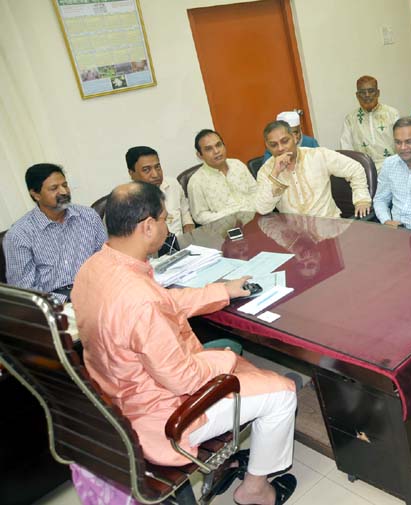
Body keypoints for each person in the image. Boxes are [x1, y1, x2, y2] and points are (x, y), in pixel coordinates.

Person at [71, 182, 298, 505]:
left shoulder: (93, 268)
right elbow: (184, 378)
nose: (168, 224)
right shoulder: (139, 298)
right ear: (147, 226)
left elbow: (163, 303)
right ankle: (255, 491)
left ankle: (225, 464)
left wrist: (222, 291)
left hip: (116, 403)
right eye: (165, 218)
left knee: (238, 365)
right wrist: (224, 358)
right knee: (282, 392)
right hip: (163, 417)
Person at [4, 163, 106, 300]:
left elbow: (106, 258)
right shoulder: (19, 234)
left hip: (97, 290)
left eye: (65, 185)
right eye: (54, 188)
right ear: (35, 194)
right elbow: (25, 289)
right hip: (56, 303)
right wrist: (64, 302)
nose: (64, 192)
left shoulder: (88, 216)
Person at [256, 120, 371, 218]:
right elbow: (263, 209)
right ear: (267, 146)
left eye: (285, 141)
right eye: (273, 145)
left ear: (295, 138)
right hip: (294, 236)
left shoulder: (318, 155)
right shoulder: (266, 171)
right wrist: (275, 173)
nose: (280, 148)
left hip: (329, 228)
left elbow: (355, 168)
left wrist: (362, 200)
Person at [187, 129, 257, 225]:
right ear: (200, 155)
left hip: (255, 219)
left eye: (218, 145)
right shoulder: (196, 182)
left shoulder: (238, 165)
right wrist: (231, 217)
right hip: (225, 230)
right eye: (208, 149)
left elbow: (255, 191)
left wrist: (251, 210)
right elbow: (200, 216)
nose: (216, 151)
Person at [126, 146, 194, 235]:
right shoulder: (124, 203)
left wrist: (189, 236)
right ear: (132, 173)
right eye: (146, 170)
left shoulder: (172, 184)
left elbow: (185, 214)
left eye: (157, 167)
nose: (155, 174)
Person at [340, 75, 400, 172]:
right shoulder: (350, 119)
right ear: (357, 95)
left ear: (378, 93)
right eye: (362, 92)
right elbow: (346, 151)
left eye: (371, 91)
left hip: (392, 168)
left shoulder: (392, 114)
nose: (367, 95)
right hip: (364, 172)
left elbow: (401, 143)